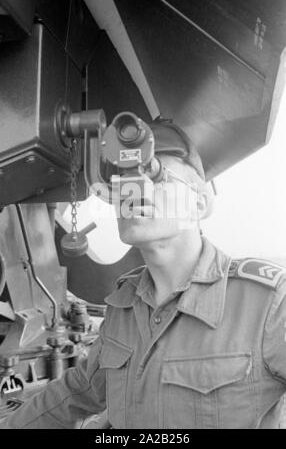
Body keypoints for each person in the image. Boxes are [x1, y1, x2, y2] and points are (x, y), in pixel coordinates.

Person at [1, 119, 286, 429]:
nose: (134, 192)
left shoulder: (269, 305)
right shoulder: (124, 306)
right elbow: (80, 390)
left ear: (200, 203)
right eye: (123, 180)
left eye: (156, 176)